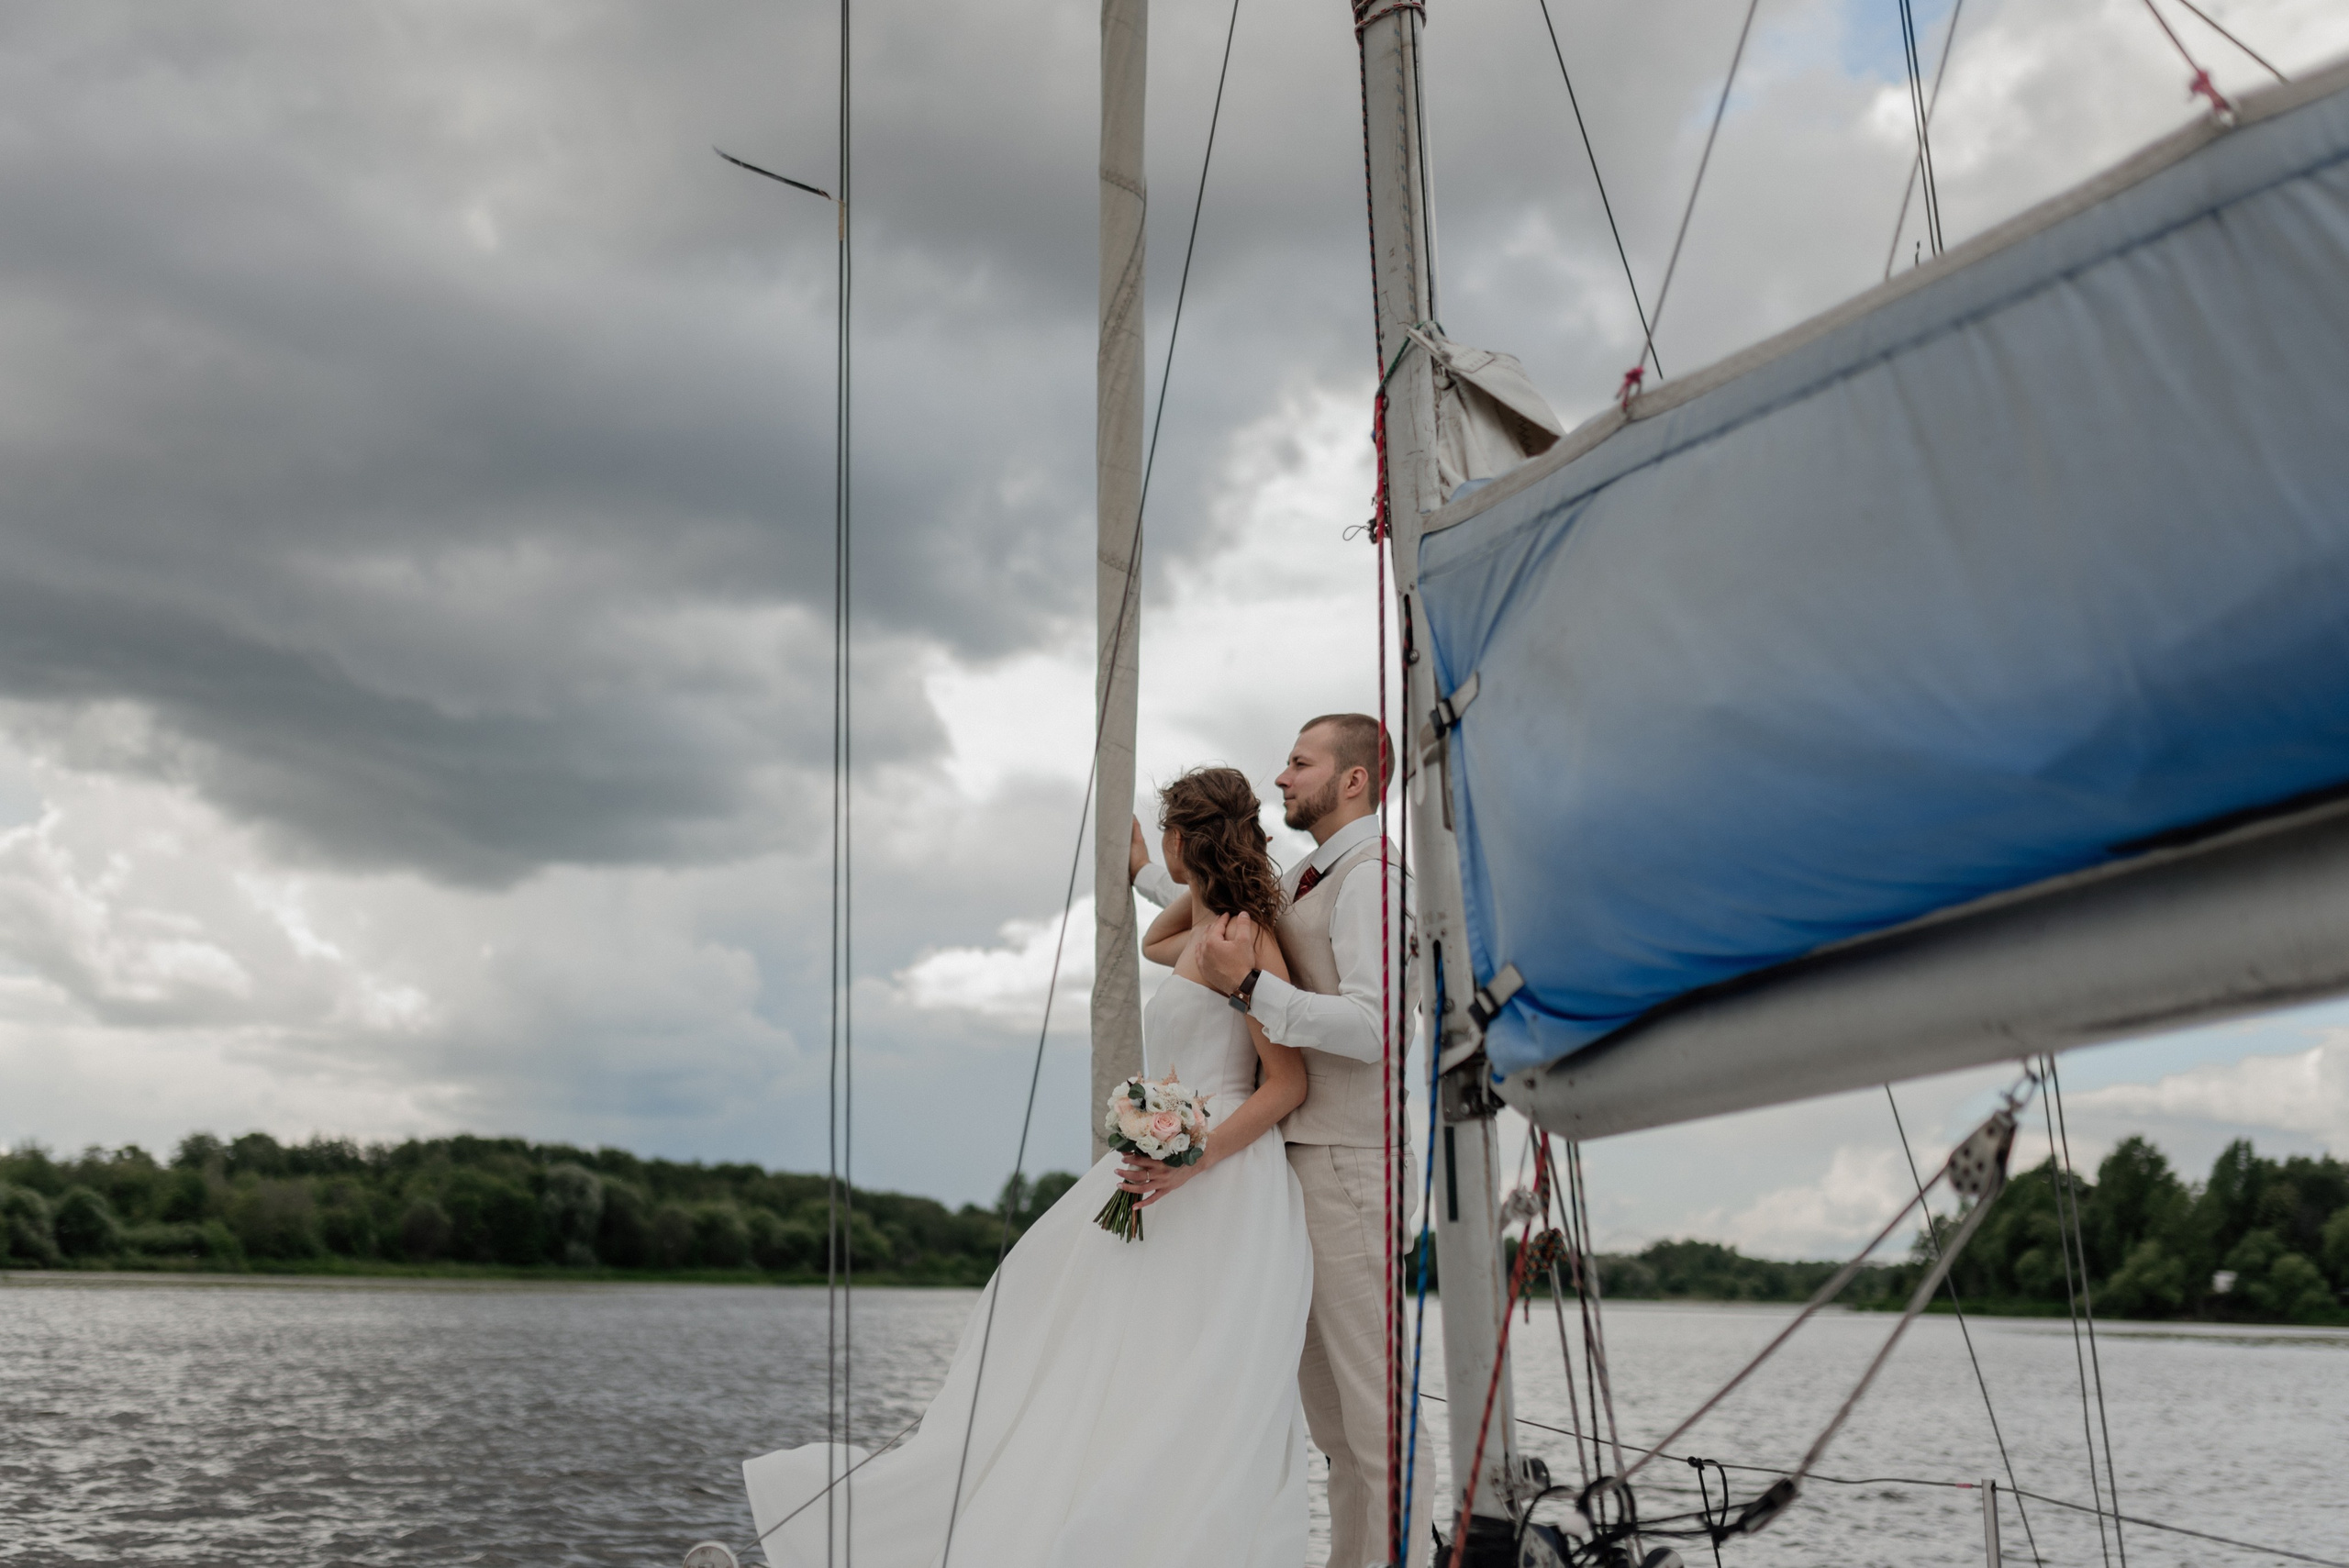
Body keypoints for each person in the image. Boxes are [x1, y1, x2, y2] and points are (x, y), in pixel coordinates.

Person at [740, 766, 1315, 1568]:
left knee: (1187, 1378)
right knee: (1086, 1347)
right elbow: (1155, 941)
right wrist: (1165, 871)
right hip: (1163, 1171)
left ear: (1189, 838)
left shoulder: (1244, 940)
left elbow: (1288, 1082)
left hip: (1222, 1181)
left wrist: (1191, 1155)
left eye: (1172, 832)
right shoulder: (1206, 927)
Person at [1130, 714, 1429, 1568]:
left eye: (1300, 762)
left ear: (1355, 781)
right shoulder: (1308, 876)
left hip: (1351, 1164)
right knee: (1333, 1423)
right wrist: (1154, 869)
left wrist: (1255, 987)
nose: (1282, 777)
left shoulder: (1374, 877)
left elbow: (1376, 1026)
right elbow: (1223, 909)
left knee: (1375, 1417)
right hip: (1293, 1169)